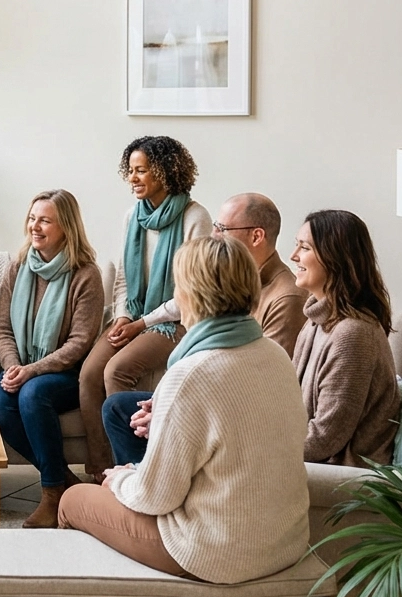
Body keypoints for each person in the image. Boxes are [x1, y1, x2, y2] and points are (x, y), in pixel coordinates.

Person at [61, 236, 309, 597]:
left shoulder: (193, 371)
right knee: (125, 486)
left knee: (76, 503)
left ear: (192, 293)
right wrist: (157, 440)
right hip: (282, 541)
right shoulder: (274, 357)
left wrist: (119, 480)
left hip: (219, 552)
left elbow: (156, 496)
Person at [102, 192, 308, 465]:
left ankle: (135, 480)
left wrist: (171, 415)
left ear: (257, 236)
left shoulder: (285, 297)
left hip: (235, 410)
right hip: (217, 391)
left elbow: (256, 388)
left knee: (80, 499)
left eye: (222, 228)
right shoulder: (231, 276)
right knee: (117, 407)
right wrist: (165, 403)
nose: (214, 235)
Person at [78, 136, 212, 478]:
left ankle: (138, 468)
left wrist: (142, 324)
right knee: (90, 373)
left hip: (176, 321)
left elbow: (189, 292)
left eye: (142, 171)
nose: (133, 179)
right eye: (131, 171)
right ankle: (101, 469)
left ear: (165, 173)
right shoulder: (132, 216)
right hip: (134, 316)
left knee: (115, 370)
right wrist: (123, 316)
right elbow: (123, 276)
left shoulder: (195, 217)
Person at [0, 189, 105, 528]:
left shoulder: (86, 274)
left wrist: (31, 371)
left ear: (66, 227)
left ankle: (52, 494)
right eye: (31, 218)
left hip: (66, 373)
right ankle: (65, 481)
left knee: (34, 393)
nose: (34, 227)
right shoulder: (19, 267)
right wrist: (13, 366)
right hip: (20, 365)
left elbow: (79, 343)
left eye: (44, 220)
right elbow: (3, 328)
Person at [291, 209, 400, 465]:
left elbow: (326, 439)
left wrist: (260, 451)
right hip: (314, 464)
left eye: (304, 248)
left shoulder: (353, 335)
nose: (293, 256)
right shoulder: (315, 323)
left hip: (342, 478)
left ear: (334, 258)